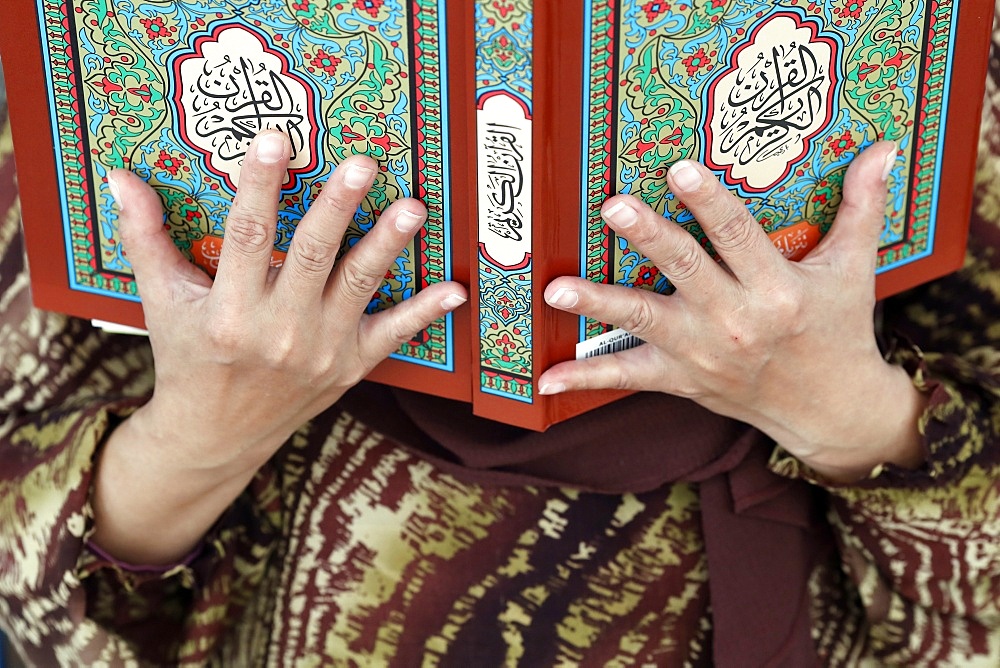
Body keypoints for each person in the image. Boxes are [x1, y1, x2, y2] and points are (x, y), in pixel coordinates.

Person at [1, 43, 999, 668]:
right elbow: (40, 601)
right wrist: (205, 429)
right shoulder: (106, 33)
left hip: (765, 585)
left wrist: (838, 409)